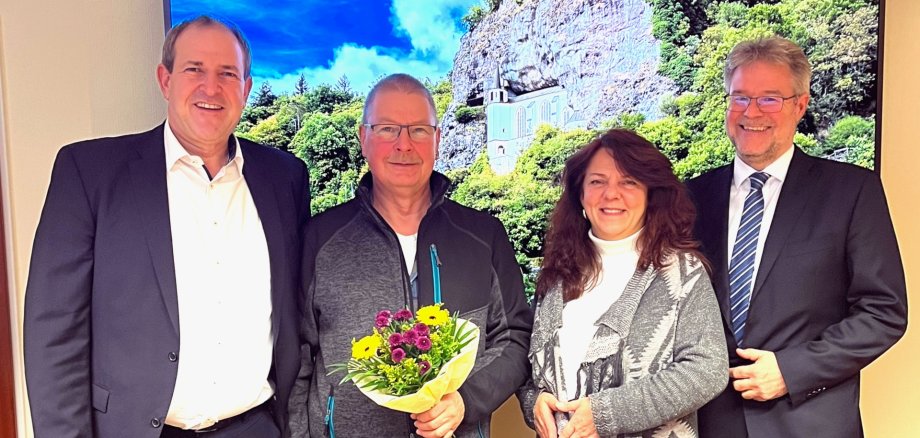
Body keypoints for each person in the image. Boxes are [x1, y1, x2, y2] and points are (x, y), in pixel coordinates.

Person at [24, 16, 310, 438]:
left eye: (227, 73)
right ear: (165, 79)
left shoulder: (285, 177)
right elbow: (54, 333)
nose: (211, 88)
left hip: (257, 427)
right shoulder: (90, 173)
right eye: (194, 69)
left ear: (246, 89)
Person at [288, 73, 532, 438]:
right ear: (362, 137)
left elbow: (515, 338)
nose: (404, 145)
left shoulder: (484, 235)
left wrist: (466, 400)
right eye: (387, 129)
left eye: (418, 130)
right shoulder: (320, 239)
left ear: (437, 139)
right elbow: (298, 362)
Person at [688, 36, 907, 437]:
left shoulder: (851, 191)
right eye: (740, 98)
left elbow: (884, 312)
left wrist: (792, 370)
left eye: (770, 99)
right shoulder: (690, 197)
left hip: (810, 421)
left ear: (800, 106)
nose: (751, 112)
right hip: (711, 424)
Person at [517, 129, 728, 438]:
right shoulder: (557, 276)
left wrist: (605, 414)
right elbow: (530, 374)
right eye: (597, 181)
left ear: (649, 194)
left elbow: (707, 369)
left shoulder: (681, 271)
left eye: (629, 182)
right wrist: (532, 402)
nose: (611, 194)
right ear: (580, 195)